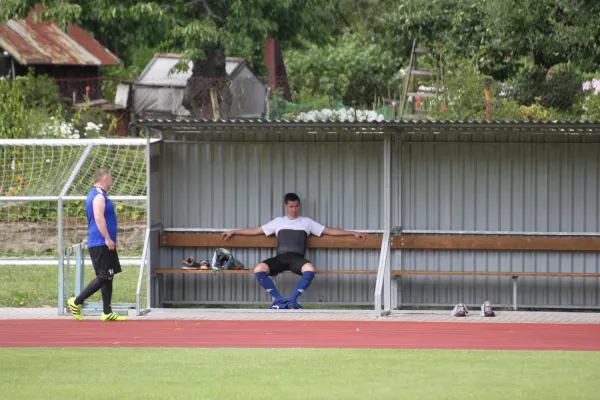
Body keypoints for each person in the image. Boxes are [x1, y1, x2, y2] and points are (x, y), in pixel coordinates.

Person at [223, 192, 367, 309]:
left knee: (310, 269)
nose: (294, 209)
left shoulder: (307, 222)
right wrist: (234, 232)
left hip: (297, 259)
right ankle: (278, 300)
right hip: (280, 258)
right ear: (286, 206)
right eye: (291, 206)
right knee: (259, 269)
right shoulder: (278, 221)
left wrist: (351, 232)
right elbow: (256, 230)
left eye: (296, 206)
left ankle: (292, 301)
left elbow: (328, 231)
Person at [67, 168, 126, 321]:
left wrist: (112, 238)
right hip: (100, 242)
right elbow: (99, 219)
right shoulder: (98, 196)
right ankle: (76, 301)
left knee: (109, 275)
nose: (112, 182)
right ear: (105, 178)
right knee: (104, 276)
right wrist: (107, 238)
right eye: (111, 179)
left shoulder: (102, 195)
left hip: (105, 241)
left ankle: (107, 312)